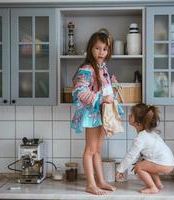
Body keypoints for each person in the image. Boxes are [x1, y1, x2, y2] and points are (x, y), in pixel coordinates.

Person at [71, 31, 123, 195]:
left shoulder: (102, 68)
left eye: (105, 49)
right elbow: (79, 92)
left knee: (97, 150)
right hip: (91, 115)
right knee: (90, 150)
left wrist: (113, 85)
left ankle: (100, 181)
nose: (101, 52)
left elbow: (104, 91)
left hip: (101, 114)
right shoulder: (87, 69)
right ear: (90, 49)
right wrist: (101, 98)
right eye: (97, 48)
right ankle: (90, 184)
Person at [116, 103, 174, 194]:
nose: (129, 116)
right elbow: (146, 154)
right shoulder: (149, 133)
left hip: (164, 163)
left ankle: (152, 188)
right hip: (169, 162)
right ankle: (158, 184)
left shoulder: (141, 138)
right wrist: (141, 161)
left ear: (138, 123)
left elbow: (131, 156)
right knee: (145, 164)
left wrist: (120, 170)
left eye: (131, 115)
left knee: (139, 167)